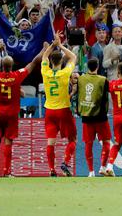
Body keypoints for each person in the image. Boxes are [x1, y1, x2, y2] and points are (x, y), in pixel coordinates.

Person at [0, 34, 40, 177]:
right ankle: (6, 172)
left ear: (2, 65)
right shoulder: (17, 75)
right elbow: (33, 63)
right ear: (12, 66)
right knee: (8, 141)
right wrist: (45, 49)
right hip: (12, 114)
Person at [41, 32, 78, 177]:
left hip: (49, 111)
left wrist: (53, 45)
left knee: (51, 142)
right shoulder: (65, 73)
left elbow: (44, 56)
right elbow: (73, 57)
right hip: (63, 110)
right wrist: (61, 45)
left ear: (51, 61)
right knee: (72, 139)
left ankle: (51, 170)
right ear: (61, 61)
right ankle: (66, 162)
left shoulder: (45, 71)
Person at [77, 58, 111, 177]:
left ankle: (91, 172)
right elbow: (111, 92)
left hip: (86, 116)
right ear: (97, 66)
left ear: (87, 67)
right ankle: (102, 167)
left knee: (88, 144)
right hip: (101, 117)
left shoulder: (81, 79)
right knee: (106, 142)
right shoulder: (103, 80)